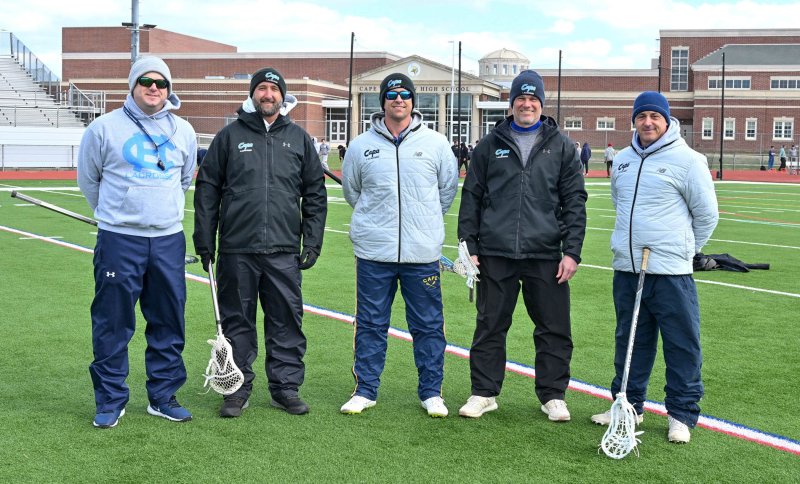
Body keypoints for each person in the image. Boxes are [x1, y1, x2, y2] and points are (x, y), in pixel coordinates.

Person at [193, 67, 328, 418]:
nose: (268, 95)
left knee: (286, 320)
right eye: (262, 89)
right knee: (237, 321)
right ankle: (236, 389)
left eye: (274, 89)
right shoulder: (228, 136)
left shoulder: (298, 139)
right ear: (253, 94)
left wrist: (312, 240)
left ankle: (285, 388)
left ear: (283, 97)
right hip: (238, 248)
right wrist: (204, 238)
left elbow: (315, 193)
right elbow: (207, 190)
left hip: (283, 250)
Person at [457, 69, 587, 421]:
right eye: (520, 99)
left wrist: (572, 251)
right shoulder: (489, 145)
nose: (526, 104)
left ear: (541, 104)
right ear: (511, 103)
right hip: (496, 252)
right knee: (490, 325)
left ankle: (553, 395)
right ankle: (484, 392)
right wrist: (469, 245)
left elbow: (575, 200)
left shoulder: (560, 145)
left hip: (545, 253)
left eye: (533, 99)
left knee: (554, 327)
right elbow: (472, 196)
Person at [590, 91, 718, 444]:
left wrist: (683, 250)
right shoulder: (624, 160)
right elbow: (620, 202)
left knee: (681, 343)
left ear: (667, 121)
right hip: (628, 268)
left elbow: (706, 215)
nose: (648, 122)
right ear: (634, 120)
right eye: (642, 116)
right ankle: (629, 404)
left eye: (655, 117)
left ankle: (682, 413)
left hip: (670, 272)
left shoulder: (689, 160)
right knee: (630, 340)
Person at [77, 56, 197, 429]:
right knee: (113, 322)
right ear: (132, 85)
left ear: (169, 89)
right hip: (120, 239)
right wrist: (119, 214)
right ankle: (111, 399)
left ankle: (162, 397)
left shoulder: (184, 131)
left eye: (161, 83)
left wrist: (156, 213)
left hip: (167, 239)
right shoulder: (103, 128)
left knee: (168, 320)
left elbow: (183, 179)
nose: (153, 88)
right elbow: (89, 181)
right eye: (145, 81)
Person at [340, 73, 458, 417]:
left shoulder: (436, 143)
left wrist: (423, 224)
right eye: (392, 94)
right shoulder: (362, 145)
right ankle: (365, 389)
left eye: (405, 94)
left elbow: (445, 191)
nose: (399, 99)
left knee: (428, 325)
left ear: (413, 100)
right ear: (383, 101)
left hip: (421, 253)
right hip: (375, 252)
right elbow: (353, 192)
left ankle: (431, 391)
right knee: (371, 323)